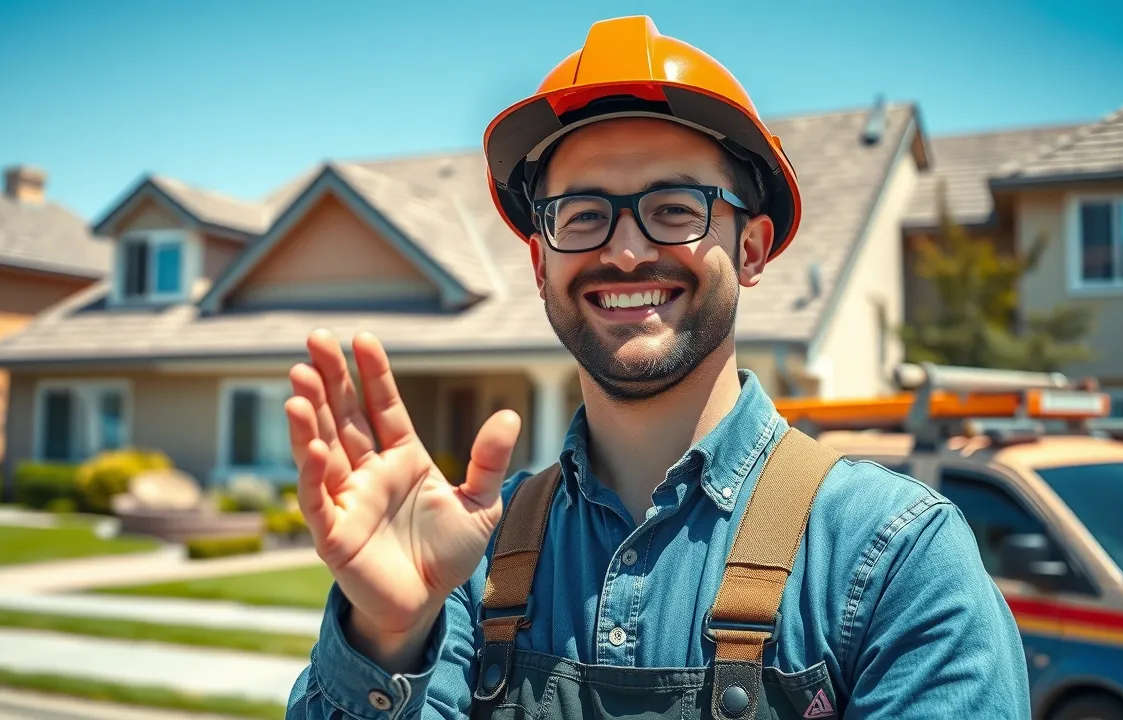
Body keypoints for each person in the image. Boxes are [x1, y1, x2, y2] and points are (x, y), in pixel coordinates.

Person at [283, 15, 1031, 720]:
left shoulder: (898, 560)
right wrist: (385, 633)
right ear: (541, 262)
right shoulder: (466, 561)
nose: (627, 250)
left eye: (676, 208)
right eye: (581, 214)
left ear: (752, 248)